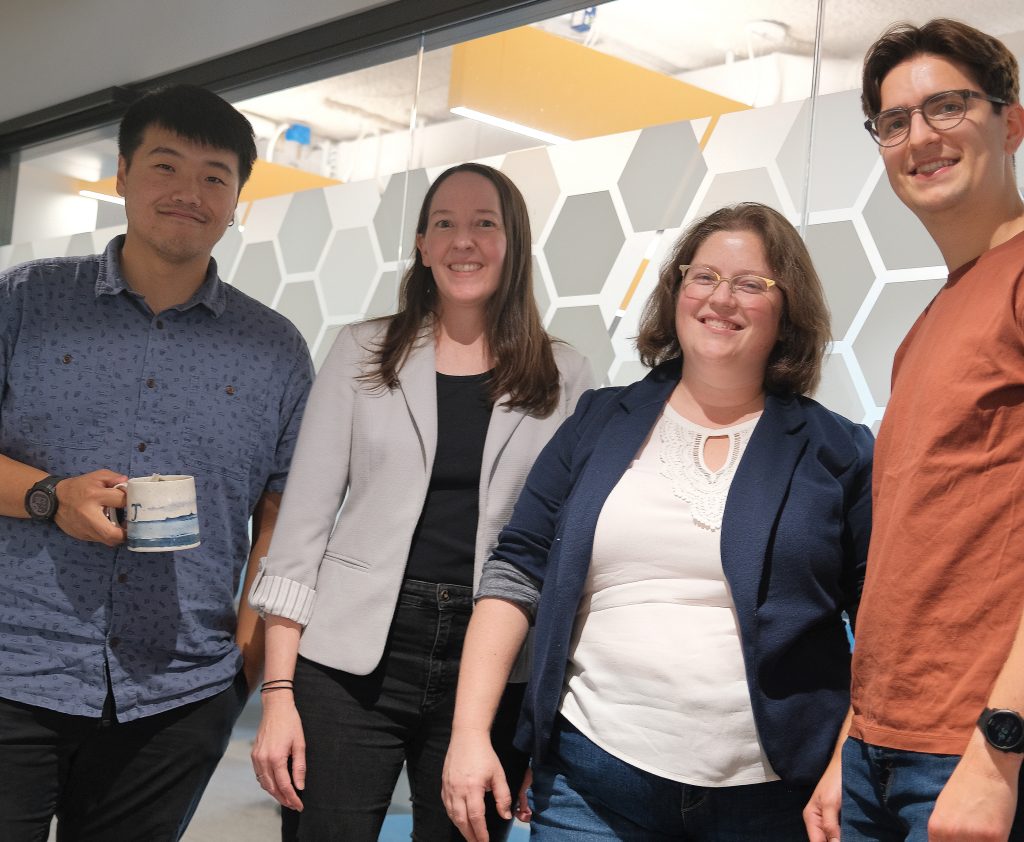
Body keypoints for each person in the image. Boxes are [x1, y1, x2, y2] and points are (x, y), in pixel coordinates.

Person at [442, 201, 874, 841]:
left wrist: (848, 760)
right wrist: (470, 733)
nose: (721, 299)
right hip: (592, 783)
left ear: (788, 312)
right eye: (703, 276)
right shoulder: (596, 421)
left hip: (774, 799)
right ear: (676, 289)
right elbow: (516, 570)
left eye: (751, 283)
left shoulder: (838, 451)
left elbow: (883, 621)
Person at [0, 85, 313, 840]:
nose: (188, 193)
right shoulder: (29, 301)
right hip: (14, 665)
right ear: (122, 175)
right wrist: (50, 496)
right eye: (165, 166)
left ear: (238, 197)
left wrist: (243, 664)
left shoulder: (274, 349)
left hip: (177, 695)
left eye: (215, 176)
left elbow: (281, 514)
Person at [248, 161, 594, 841]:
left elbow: (567, 555)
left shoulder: (563, 374)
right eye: (445, 224)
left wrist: (542, 723)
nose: (463, 241)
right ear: (422, 244)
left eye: (484, 224)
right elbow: (303, 533)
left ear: (514, 242)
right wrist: (279, 693)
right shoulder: (361, 352)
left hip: (493, 659)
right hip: (350, 658)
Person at [845, 19, 1024, 841]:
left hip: (975, 755)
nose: (920, 137)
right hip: (881, 754)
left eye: (946, 106)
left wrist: (1000, 753)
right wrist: (855, 735)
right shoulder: (932, 318)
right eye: (894, 121)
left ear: (1012, 121)